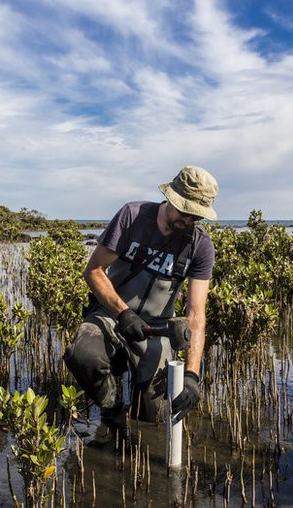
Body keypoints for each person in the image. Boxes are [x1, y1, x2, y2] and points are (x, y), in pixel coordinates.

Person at [64, 166, 217, 426]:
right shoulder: (132, 216)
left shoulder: (200, 245)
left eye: (196, 216)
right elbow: (94, 271)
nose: (188, 221)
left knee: (152, 415)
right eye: (184, 210)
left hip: (156, 330)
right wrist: (123, 313)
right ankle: (111, 414)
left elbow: (196, 315)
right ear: (171, 197)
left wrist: (192, 375)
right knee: (83, 355)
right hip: (112, 316)